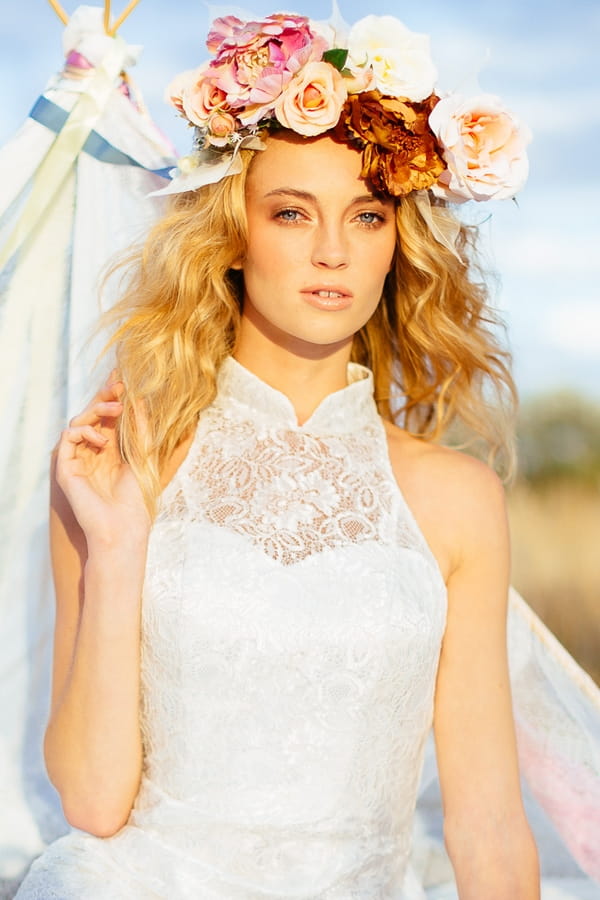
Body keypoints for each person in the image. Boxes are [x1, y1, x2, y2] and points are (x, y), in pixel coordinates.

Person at [16, 11, 541, 899]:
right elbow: (95, 803)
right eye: (292, 213)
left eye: (367, 215)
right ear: (233, 235)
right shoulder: (119, 467)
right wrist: (118, 546)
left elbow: (486, 820)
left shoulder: (457, 497)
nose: (331, 251)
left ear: (395, 247)